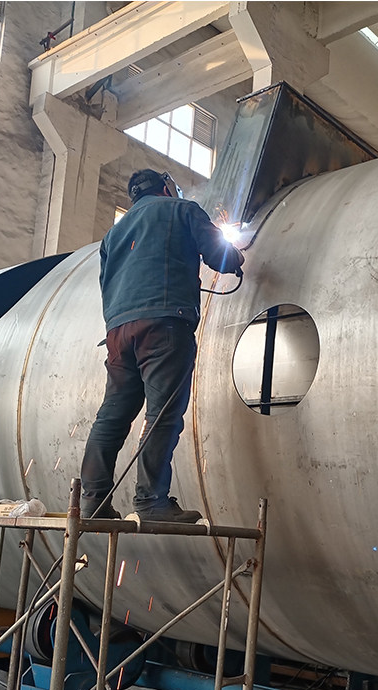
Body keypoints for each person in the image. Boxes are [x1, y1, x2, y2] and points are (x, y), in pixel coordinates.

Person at [80, 169, 244, 522]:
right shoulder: (181, 209)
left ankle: (92, 503)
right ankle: (151, 503)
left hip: (119, 333)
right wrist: (237, 258)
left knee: (111, 417)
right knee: (162, 415)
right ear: (166, 187)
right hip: (164, 324)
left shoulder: (113, 234)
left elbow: (106, 284)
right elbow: (219, 255)